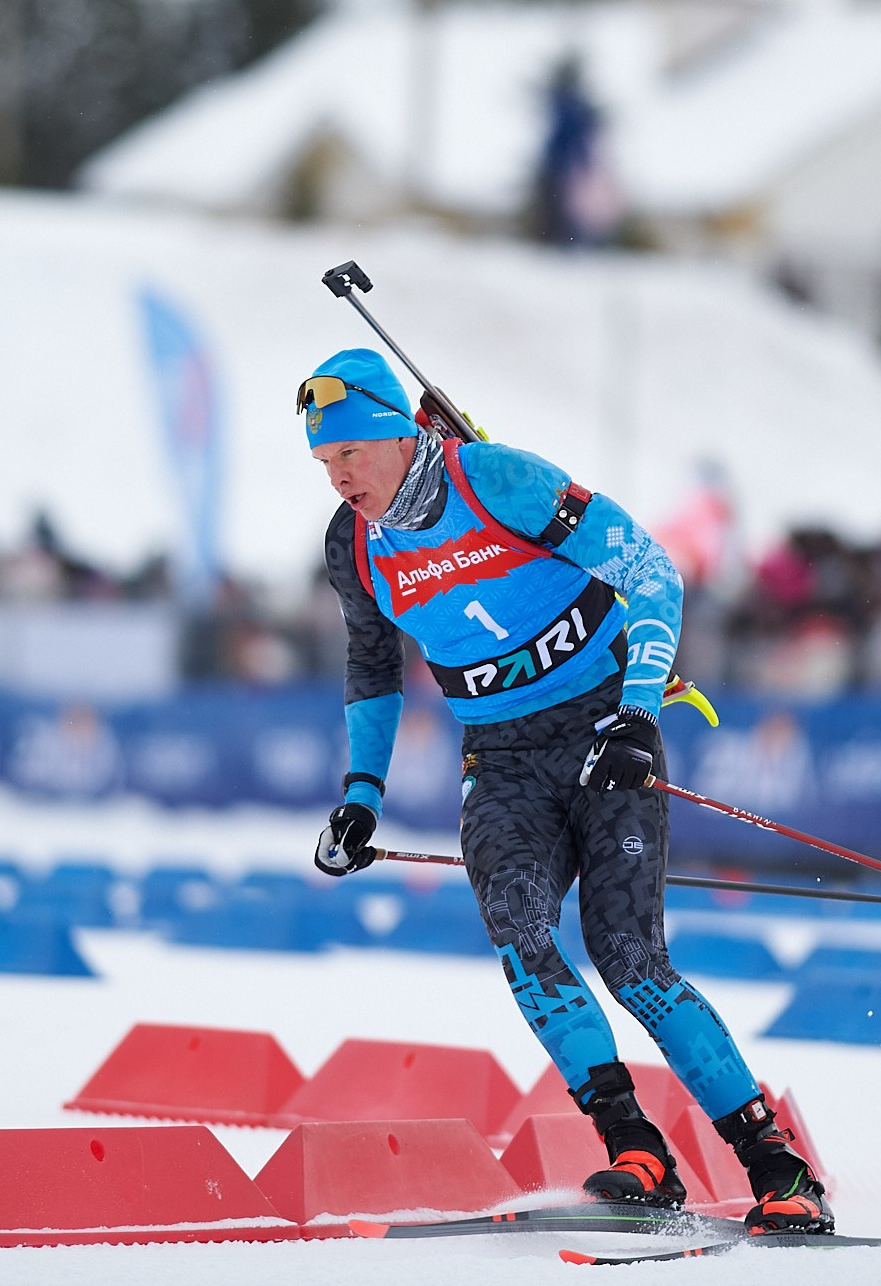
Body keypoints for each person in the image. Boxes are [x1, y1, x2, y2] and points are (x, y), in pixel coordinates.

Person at [298, 346, 832, 1234]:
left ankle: (777, 1166)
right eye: (323, 462)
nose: (338, 475)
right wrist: (361, 795)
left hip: (600, 730)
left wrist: (632, 716)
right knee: (519, 926)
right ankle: (636, 1149)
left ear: (396, 431)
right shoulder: (350, 545)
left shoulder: (497, 480)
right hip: (501, 760)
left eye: (349, 452)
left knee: (627, 956)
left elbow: (652, 570)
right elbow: (370, 666)